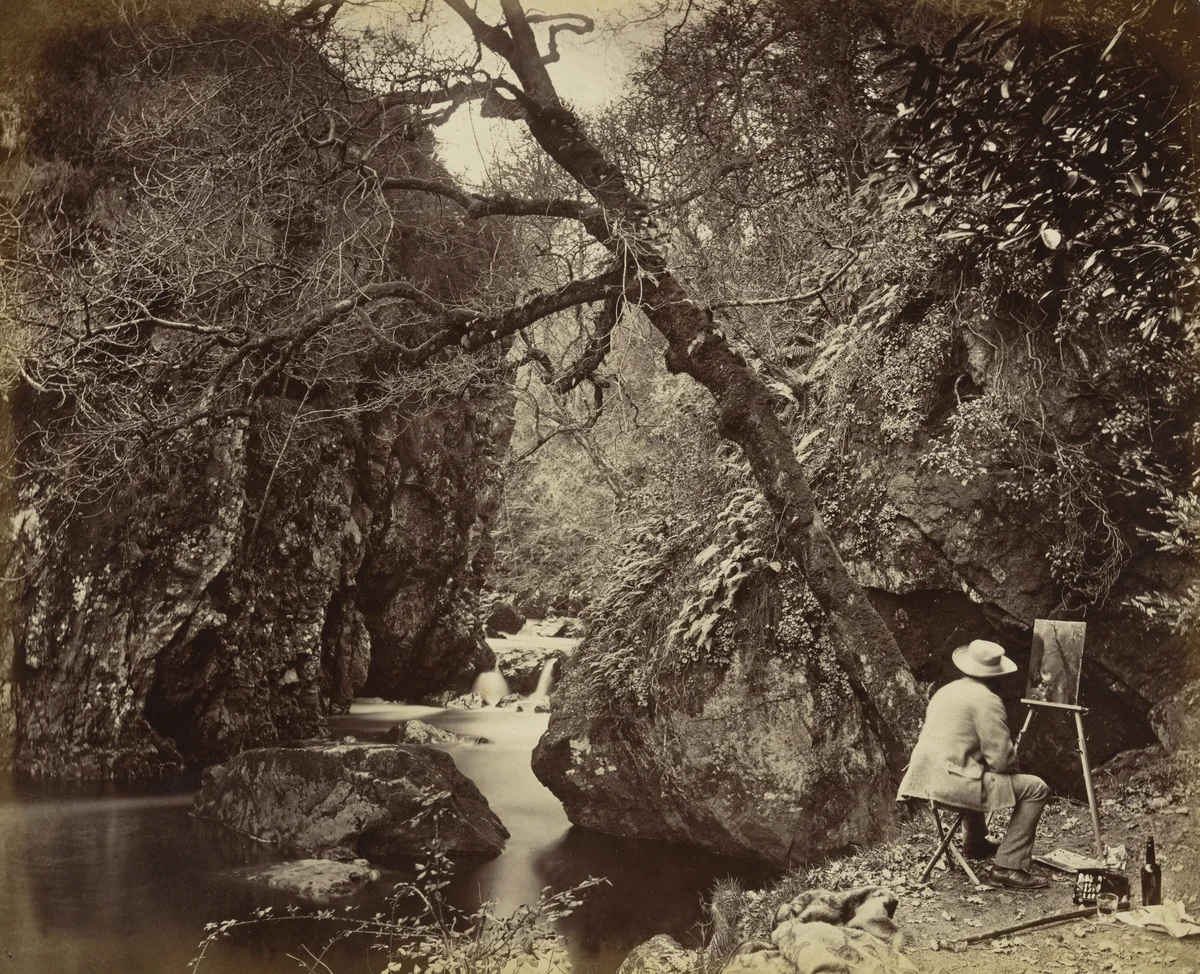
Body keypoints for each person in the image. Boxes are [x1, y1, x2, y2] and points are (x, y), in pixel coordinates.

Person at [897, 639, 1050, 890]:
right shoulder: (986, 700)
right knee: (1036, 788)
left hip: (921, 781)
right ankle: (1008, 867)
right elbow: (1002, 761)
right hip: (951, 786)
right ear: (996, 677)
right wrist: (1011, 764)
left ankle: (975, 843)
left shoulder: (946, 691)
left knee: (975, 769)